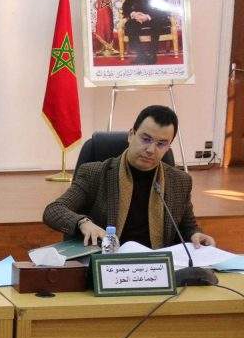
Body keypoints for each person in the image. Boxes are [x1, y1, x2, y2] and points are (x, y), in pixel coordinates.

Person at [43, 105, 215, 249]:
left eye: (161, 144)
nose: (151, 150)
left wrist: (195, 235)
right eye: (146, 139)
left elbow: (188, 226)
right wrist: (83, 222)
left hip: (157, 266)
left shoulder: (179, 181)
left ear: (168, 146)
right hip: (108, 262)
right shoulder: (95, 173)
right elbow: (54, 210)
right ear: (131, 134)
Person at [120, 0, 170, 65]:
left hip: (154, 17)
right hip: (138, 18)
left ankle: (152, 55)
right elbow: (125, 6)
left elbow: (163, 8)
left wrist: (147, 17)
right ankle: (141, 55)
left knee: (156, 23)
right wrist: (134, 14)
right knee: (129, 25)